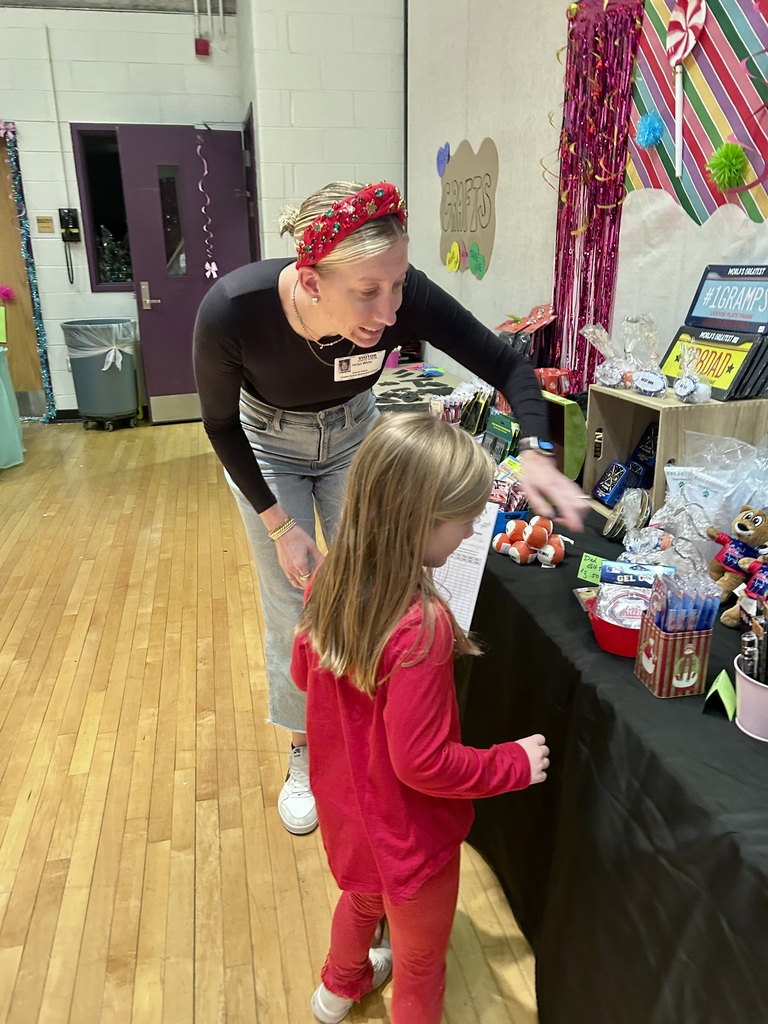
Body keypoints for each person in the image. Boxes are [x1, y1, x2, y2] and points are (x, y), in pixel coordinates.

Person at [193, 180, 583, 836]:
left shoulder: (401, 298)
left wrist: (541, 449)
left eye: (398, 284)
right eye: (368, 293)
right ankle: (303, 754)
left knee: (384, 588)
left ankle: (381, 732)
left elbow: (508, 366)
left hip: (353, 434)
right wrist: (281, 526)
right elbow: (221, 427)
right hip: (266, 444)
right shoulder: (234, 310)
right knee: (297, 601)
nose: (390, 309)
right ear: (311, 282)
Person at [291, 412, 550, 1024]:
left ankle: (336, 990)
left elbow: (306, 679)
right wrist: (511, 762)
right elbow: (423, 762)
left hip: (350, 816)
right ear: (420, 524)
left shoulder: (326, 581)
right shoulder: (421, 627)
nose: (468, 535)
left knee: (360, 899)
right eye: (463, 523)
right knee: (419, 964)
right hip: (409, 838)